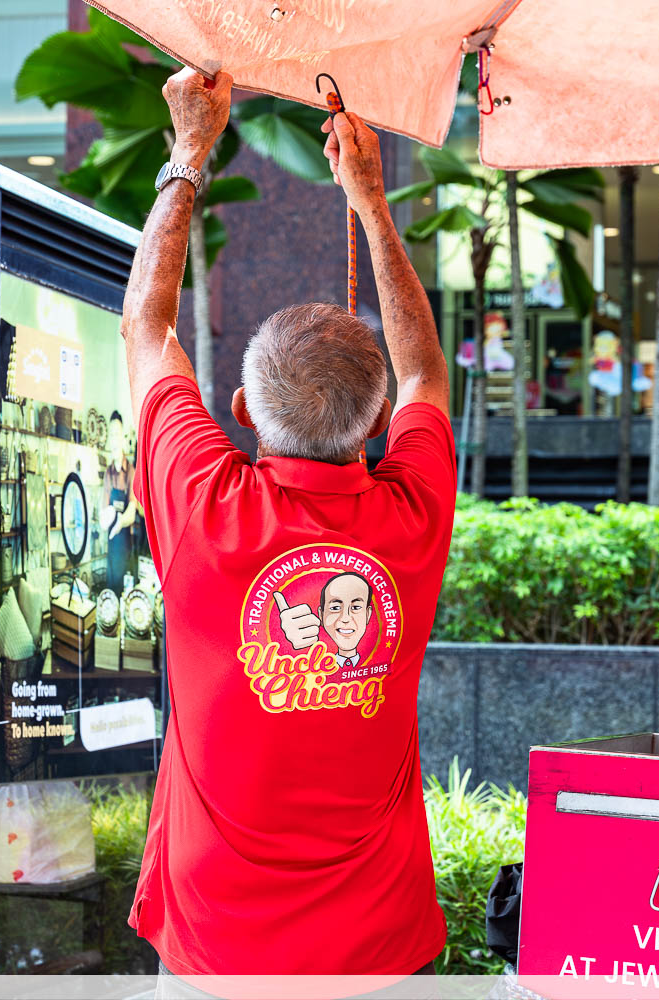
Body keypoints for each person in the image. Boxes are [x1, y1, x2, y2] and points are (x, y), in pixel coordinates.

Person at [119, 67, 455, 986]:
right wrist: (372, 205)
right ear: (379, 433)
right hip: (378, 943)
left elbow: (147, 331)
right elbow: (425, 373)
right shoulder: (412, 512)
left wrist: (189, 154)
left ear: (238, 407)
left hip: (215, 942)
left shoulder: (203, 502)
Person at [99, 410, 137, 588]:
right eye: (111, 434)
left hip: (125, 543)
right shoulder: (107, 473)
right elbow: (103, 510)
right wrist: (106, 519)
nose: (114, 439)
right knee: (110, 587)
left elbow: (132, 510)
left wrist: (118, 522)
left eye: (117, 434)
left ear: (122, 438)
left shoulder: (130, 471)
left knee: (124, 590)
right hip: (112, 544)